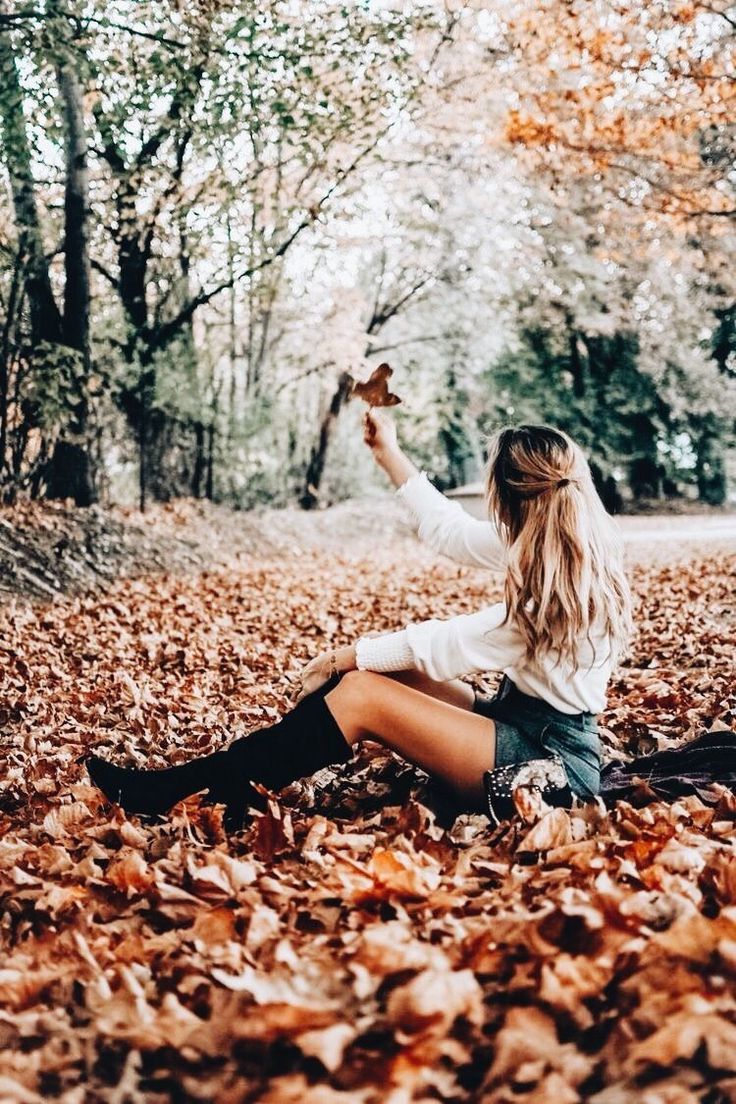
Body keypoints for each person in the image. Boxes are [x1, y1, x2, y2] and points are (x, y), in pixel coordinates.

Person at [86, 415, 632, 830]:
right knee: (371, 682)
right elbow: (449, 531)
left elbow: (453, 643)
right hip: (518, 726)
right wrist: (388, 452)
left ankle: (188, 790)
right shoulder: (550, 543)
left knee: (363, 691)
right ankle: (228, 781)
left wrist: (348, 654)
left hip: (549, 770)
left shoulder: (562, 582)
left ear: (509, 497)